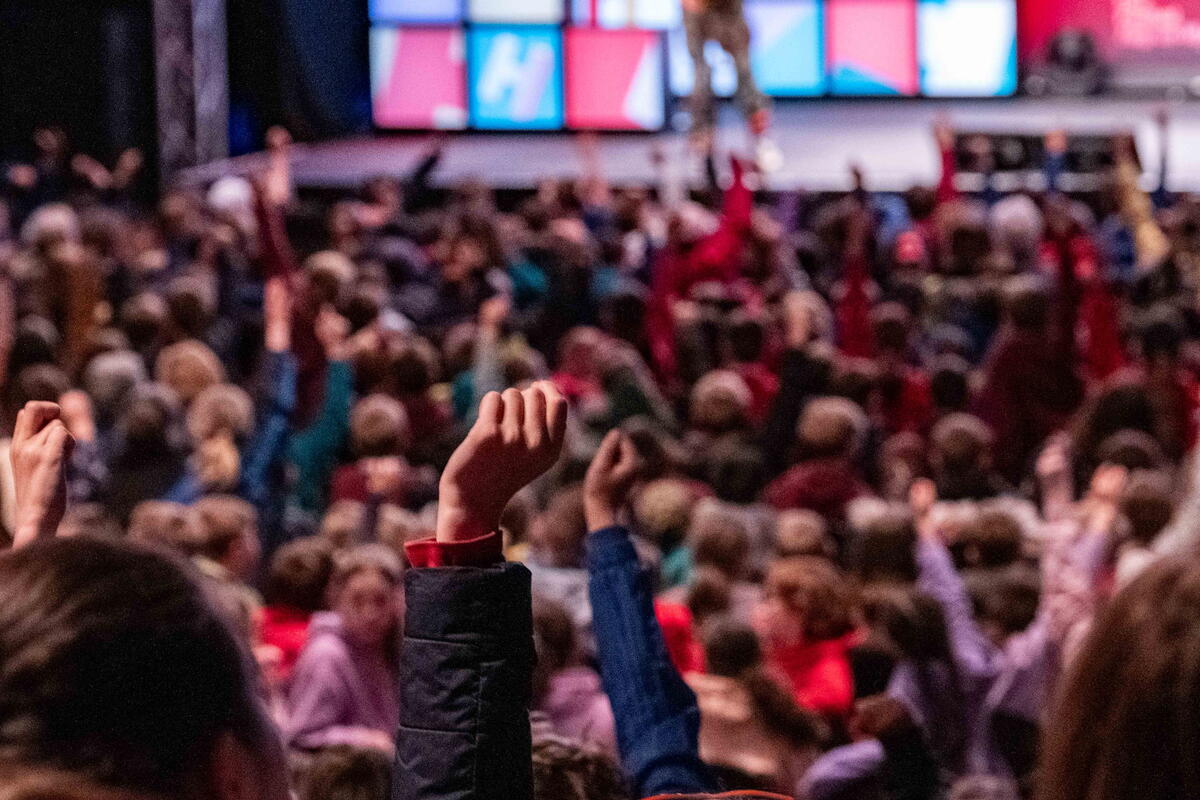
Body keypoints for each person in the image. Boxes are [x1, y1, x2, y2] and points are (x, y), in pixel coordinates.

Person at [285, 544, 403, 754]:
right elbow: (302, 734)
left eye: (380, 601)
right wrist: (363, 740)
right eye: (357, 601)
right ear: (337, 599)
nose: (370, 614)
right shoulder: (327, 654)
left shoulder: (388, 648)